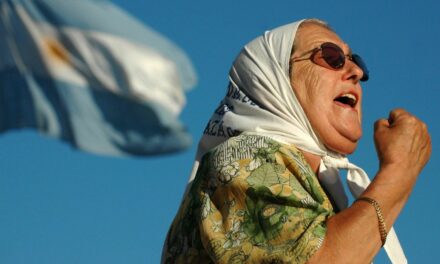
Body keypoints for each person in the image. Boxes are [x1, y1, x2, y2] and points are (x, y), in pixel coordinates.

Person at [161, 18, 431, 263]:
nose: (355, 72)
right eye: (331, 56)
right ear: (275, 80)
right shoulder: (245, 157)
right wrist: (400, 170)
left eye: (356, 61)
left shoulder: (316, 189)